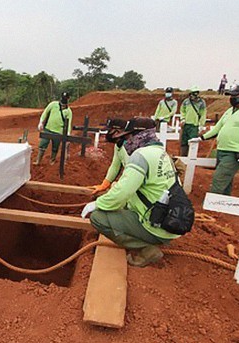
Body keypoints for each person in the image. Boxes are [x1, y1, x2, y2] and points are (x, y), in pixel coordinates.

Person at [81, 117, 181, 267]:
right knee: (118, 202)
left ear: (139, 136)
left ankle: (146, 248)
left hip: (156, 225)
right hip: (169, 220)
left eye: (129, 137)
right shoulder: (160, 153)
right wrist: (107, 186)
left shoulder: (140, 156)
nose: (127, 141)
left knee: (98, 217)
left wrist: (97, 204)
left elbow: (124, 192)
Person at [190, 84, 239, 195]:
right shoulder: (230, 111)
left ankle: (212, 204)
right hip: (222, 150)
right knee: (226, 180)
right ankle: (223, 206)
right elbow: (217, 128)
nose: (232, 98)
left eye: (235, 95)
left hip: (235, 152)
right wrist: (201, 138)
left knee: (219, 178)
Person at [89, 118, 130, 195]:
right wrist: (105, 183)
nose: (107, 134)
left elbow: (130, 173)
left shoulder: (130, 148)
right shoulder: (118, 146)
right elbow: (115, 166)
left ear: (118, 131)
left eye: (109, 131)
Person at [35, 92, 73, 165]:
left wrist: (68, 133)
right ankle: (38, 161)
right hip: (48, 129)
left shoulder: (68, 111)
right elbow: (45, 113)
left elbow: (69, 124)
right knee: (43, 144)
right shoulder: (53, 104)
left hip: (58, 132)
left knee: (55, 147)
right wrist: (41, 122)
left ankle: (52, 161)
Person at [179, 87, 207, 156]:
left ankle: (191, 157)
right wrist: (182, 118)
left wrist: (201, 125)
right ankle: (183, 157)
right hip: (186, 125)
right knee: (184, 142)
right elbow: (182, 110)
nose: (191, 96)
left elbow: (203, 114)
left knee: (192, 142)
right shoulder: (186, 101)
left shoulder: (201, 103)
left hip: (194, 125)